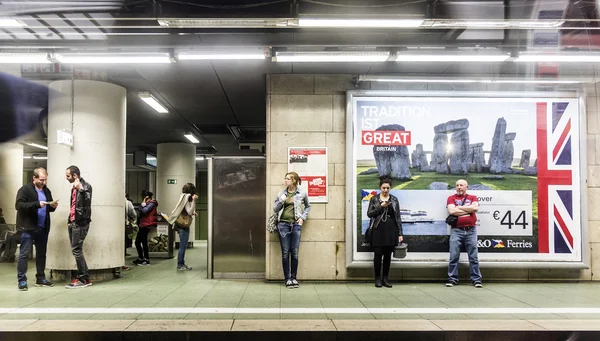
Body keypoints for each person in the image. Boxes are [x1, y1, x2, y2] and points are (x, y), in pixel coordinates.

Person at [14, 167, 58, 291]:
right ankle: (22, 280)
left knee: (41, 254)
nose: (43, 182)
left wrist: (52, 206)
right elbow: (19, 205)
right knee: (24, 254)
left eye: (45, 180)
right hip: (27, 228)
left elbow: (48, 207)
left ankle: (41, 278)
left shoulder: (46, 191)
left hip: (42, 227)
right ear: (34, 178)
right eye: (41, 180)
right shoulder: (25, 190)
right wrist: (37, 204)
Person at [272, 171, 311, 289]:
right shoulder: (281, 193)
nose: (285, 181)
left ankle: (294, 278)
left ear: (294, 180)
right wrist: (281, 201)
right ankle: (287, 279)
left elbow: (308, 206)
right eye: (285, 179)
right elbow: (275, 209)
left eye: (288, 179)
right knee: (285, 253)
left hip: (296, 225)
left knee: (294, 252)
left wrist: (302, 218)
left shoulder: (301, 193)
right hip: (283, 225)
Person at [366, 176, 403, 288]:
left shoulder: (394, 199)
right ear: (380, 187)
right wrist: (380, 207)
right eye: (383, 188)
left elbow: (398, 217)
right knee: (377, 255)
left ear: (390, 188)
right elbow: (369, 214)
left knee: (387, 256)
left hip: (391, 230)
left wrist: (400, 233)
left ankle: (385, 279)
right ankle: (377, 278)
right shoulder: (374, 199)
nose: (385, 190)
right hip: (378, 230)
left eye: (387, 188)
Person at [446, 179, 482, 288]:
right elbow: (452, 211)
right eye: (457, 185)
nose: (459, 187)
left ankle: (476, 280)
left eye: (461, 185)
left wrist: (459, 208)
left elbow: (475, 208)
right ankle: (452, 279)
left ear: (467, 187)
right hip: (456, 230)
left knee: (473, 257)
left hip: (471, 230)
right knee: (453, 256)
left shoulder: (473, 197)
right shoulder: (451, 198)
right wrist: (468, 210)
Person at [65, 165, 93, 289]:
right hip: (73, 222)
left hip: (80, 223)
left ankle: (82, 279)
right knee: (76, 250)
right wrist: (69, 220)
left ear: (75, 175)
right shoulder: (73, 188)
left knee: (76, 250)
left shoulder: (85, 186)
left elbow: (88, 202)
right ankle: (85, 277)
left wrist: (81, 189)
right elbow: (74, 206)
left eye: (68, 176)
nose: (66, 178)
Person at [167, 183, 198, 271]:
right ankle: (180, 264)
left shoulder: (182, 196)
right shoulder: (188, 197)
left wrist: (193, 212)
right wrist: (194, 201)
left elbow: (183, 209)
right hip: (183, 225)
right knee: (183, 246)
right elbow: (189, 211)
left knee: (182, 245)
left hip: (178, 223)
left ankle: (181, 263)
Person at [134, 190, 157, 266]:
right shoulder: (148, 204)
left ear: (147, 197)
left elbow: (144, 211)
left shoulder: (151, 204)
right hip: (143, 224)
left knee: (138, 242)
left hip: (146, 224)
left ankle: (145, 259)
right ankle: (143, 258)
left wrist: (143, 203)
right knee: (143, 242)